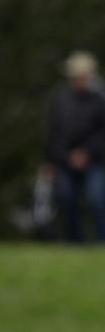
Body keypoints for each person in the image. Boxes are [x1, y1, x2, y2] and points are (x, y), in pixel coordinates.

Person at [44, 50, 105, 242]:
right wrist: (53, 159)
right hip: (64, 160)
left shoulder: (99, 100)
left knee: (97, 200)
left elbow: (102, 132)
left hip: (92, 160)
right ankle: (75, 242)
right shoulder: (61, 99)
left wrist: (86, 152)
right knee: (67, 200)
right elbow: (55, 131)